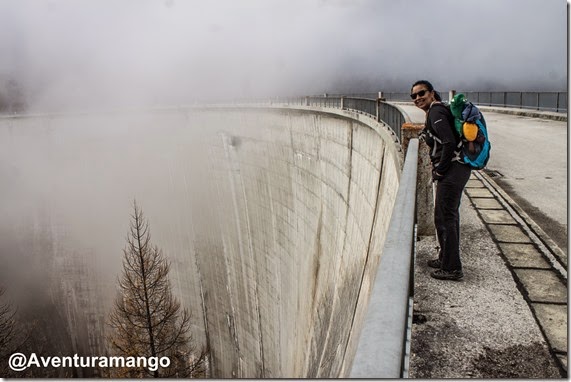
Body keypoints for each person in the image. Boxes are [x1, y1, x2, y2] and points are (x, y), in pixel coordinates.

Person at [411, 80, 471, 281]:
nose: (418, 98)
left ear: (432, 93)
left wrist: (439, 171)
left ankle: (453, 268)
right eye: (414, 96)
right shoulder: (436, 111)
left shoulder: (436, 113)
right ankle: (445, 259)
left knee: (447, 219)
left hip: (453, 170)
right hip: (456, 169)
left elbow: (449, 142)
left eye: (422, 93)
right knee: (443, 218)